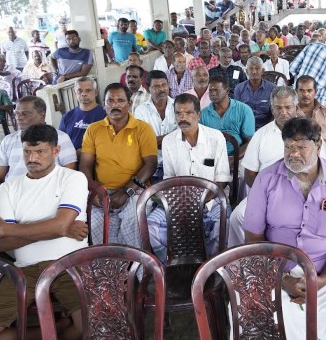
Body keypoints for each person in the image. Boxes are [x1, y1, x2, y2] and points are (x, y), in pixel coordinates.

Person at [243, 117, 326, 340]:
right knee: (273, 316)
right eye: (288, 147)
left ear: (318, 144)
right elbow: (253, 237)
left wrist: (323, 279)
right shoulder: (267, 179)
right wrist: (280, 278)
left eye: (301, 147)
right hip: (279, 268)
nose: (293, 154)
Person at [0, 124, 88, 340]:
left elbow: (59, 225)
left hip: (69, 264)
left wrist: (9, 229)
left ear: (56, 151)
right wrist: (61, 229)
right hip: (24, 270)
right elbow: (3, 243)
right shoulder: (7, 187)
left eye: (40, 151)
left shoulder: (73, 178)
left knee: (90, 326)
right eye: (27, 152)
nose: (32, 158)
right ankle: (55, 330)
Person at [228, 86, 326, 246]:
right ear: (272, 109)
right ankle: (244, 258)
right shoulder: (261, 135)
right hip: (266, 192)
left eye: (288, 107)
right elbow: (249, 173)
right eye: (278, 108)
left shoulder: (311, 133)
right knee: (237, 217)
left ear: (296, 107)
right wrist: (264, 194)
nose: (283, 112)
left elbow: (324, 168)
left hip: (307, 192)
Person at [146, 93, 231, 261]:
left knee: (225, 224)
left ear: (198, 115)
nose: (182, 118)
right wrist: (182, 205)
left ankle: (209, 266)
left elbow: (221, 180)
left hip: (212, 199)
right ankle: (173, 264)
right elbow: (169, 179)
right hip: (179, 201)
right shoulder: (169, 141)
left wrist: (199, 202)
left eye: (188, 113)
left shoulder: (215, 138)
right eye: (178, 113)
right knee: (151, 225)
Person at [80, 83, 158, 246]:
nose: (115, 105)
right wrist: (93, 192)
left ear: (129, 104)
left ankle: (135, 263)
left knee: (132, 223)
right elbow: (85, 165)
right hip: (102, 192)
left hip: (135, 191)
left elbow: (150, 165)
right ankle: (108, 263)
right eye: (110, 101)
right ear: (104, 104)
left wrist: (126, 191)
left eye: (120, 101)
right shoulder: (93, 129)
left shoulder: (143, 129)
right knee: (95, 226)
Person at [0, 96, 77, 183]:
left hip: (48, 188)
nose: (19, 117)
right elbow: (1, 174)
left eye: (25, 113)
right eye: (17, 113)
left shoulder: (60, 137)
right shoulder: (8, 140)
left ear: (41, 114)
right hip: (12, 188)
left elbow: (69, 171)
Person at [134, 71, 178, 182]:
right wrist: (172, 137)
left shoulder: (178, 106)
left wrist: (155, 141)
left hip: (177, 162)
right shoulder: (141, 110)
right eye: (156, 86)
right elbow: (143, 143)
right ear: (148, 89)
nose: (161, 89)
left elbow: (184, 137)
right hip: (152, 165)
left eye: (164, 85)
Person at [200, 74, 255, 155]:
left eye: (216, 90)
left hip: (239, 156)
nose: (213, 93)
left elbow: (250, 141)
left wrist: (234, 159)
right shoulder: (203, 113)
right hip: (211, 156)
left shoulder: (244, 110)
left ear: (227, 91)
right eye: (210, 91)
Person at [59, 77, 107, 154]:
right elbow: (61, 143)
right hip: (71, 159)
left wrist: (84, 152)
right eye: (79, 91)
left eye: (88, 90)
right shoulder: (67, 117)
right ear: (75, 93)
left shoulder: (106, 115)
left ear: (96, 92)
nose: (83, 94)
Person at [295, 75, 326, 150]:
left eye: (309, 90)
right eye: (301, 90)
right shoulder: (290, 113)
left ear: (315, 92)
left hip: (322, 154)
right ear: (296, 92)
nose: (305, 94)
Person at [234, 57, 276, 130]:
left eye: (257, 68)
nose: (254, 72)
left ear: (263, 71)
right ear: (247, 71)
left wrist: (268, 129)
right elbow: (237, 112)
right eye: (251, 69)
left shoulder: (272, 88)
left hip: (266, 127)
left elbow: (275, 112)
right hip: (244, 127)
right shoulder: (239, 88)